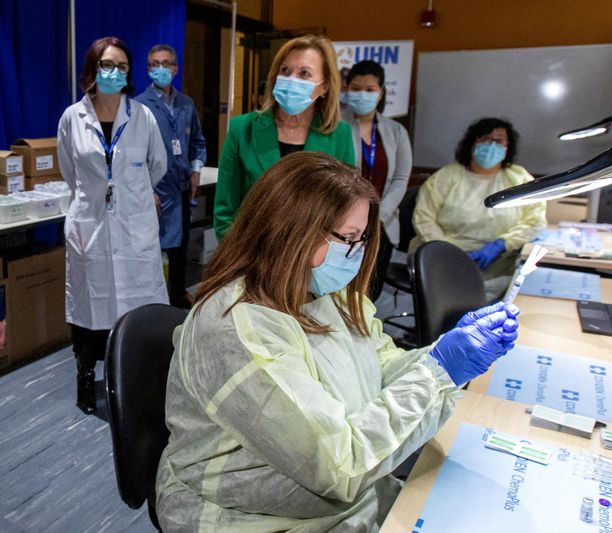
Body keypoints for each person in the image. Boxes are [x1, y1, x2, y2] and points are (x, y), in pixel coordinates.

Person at [156, 152, 519, 531]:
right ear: (288, 231)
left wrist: (447, 356)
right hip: (250, 519)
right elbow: (339, 464)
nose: (356, 253)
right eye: (347, 238)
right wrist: (438, 372)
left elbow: (380, 371)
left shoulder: (327, 295)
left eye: (361, 238)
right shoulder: (236, 330)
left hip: (340, 502)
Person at [57, 36, 168, 414]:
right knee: (90, 308)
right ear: (92, 69)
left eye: (121, 66)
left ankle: (134, 378)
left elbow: (158, 166)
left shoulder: (142, 117)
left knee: (137, 308)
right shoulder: (73, 117)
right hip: (91, 228)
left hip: (133, 227)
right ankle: (86, 377)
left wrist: (130, 193)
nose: (114, 72)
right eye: (106, 65)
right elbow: (69, 171)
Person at [213, 34, 355, 239]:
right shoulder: (242, 128)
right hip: (250, 255)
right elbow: (225, 209)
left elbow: (344, 208)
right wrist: (236, 259)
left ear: (324, 86)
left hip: (310, 258)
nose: (291, 79)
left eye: (304, 73)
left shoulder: (340, 135)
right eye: (285, 70)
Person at [412, 118, 547, 300]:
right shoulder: (445, 177)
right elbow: (423, 218)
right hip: (443, 260)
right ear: (472, 143)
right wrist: (447, 252)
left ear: (508, 146)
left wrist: (502, 244)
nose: (491, 145)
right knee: (446, 309)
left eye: (498, 140)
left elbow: (535, 221)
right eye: (484, 139)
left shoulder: (519, 178)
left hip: (499, 263)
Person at [136, 43, 207, 309]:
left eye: (166, 63)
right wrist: (146, 189)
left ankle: (177, 295)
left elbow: (198, 142)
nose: (160, 68)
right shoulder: (140, 106)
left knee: (180, 247)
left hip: (181, 189)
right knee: (152, 249)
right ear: (147, 69)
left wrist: (197, 170)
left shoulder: (186, 104)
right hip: (154, 191)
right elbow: (133, 154)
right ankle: (151, 301)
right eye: (155, 64)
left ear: (175, 69)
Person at [342, 60, 412, 300]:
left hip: (382, 226)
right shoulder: (335, 127)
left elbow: (401, 178)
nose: (362, 94)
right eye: (356, 88)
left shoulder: (396, 131)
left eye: (369, 89)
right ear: (346, 89)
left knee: (369, 293)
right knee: (339, 290)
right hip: (342, 223)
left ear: (381, 92)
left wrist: (378, 216)